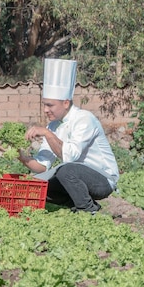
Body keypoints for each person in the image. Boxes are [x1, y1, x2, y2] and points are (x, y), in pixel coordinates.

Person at [18, 59, 119, 213]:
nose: (45, 110)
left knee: (66, 170)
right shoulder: (52, 126)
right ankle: (81, 205)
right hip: (76, 176)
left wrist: (46, 133)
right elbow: (42, 166)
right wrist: (21, 157)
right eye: (44, 104)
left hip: (103, 179)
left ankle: (87, 210)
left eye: (50, 105)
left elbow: (70, 156)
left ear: (66, 103)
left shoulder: (84, 119)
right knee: (39, 186)